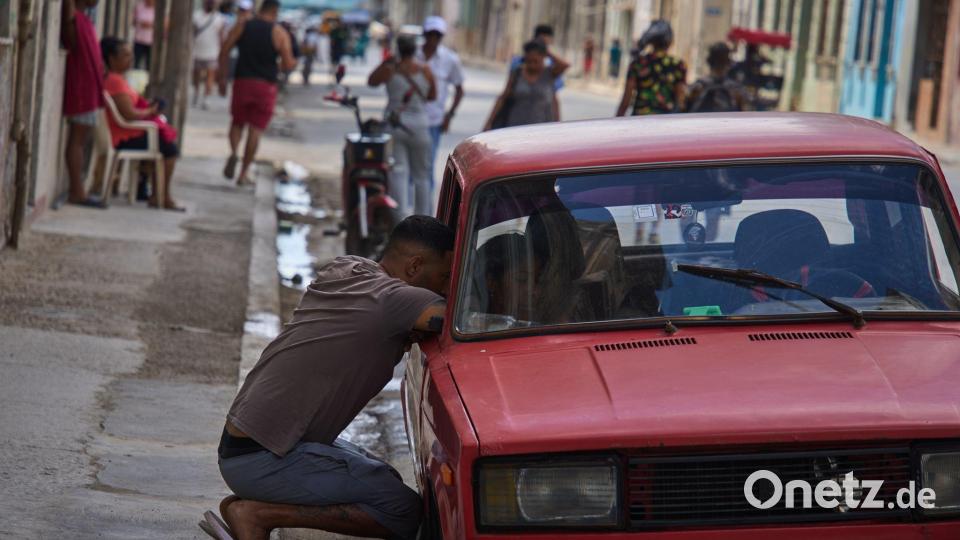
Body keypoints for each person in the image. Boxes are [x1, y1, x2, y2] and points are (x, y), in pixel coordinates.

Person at [207, 215, 453, 540]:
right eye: (444, 277)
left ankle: (254, 506)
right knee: (402, 509)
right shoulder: (396, 301)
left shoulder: (349, 269)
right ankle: (255, 514)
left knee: (385, 479)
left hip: (242, 447)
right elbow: (461, 318)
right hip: (265, 459)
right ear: (414, 266)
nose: (445, 287)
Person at [218, 0, 297, 186]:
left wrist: (222, 77)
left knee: (237, 122)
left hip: (242, 81)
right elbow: (287, 64)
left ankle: (233, 152)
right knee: (256, 129)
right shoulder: (279, 32)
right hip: (265, 86)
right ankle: (243, 173)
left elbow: (225, 50)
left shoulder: (243, 25)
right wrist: (291, 63)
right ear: (275, 11)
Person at [101, 37, 182, 211]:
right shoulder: (114, 81)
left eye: (130, 55)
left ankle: (150, 190)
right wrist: (150, 112)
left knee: (164, 143)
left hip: (128, 131)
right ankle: (163, 196)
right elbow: (129, 114)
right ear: (111, 58)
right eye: (125, 55)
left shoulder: (117, 79)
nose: (130, 59)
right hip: (124, 136)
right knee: (170, 149)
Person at [368, 35, 437, 217]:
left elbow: (371, 81)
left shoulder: (391, 70)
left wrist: (386, 62)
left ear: (398, 49)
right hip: (420, 127)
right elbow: (432, 95)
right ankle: (423, 219)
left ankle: (398, 219)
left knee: (398, 172)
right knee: (422, 176)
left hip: (394, 126)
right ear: (415, 49)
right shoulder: (425, 70)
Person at [61, 0, 105, 208]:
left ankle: (78, 189)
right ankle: (77, 191)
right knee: (77, 140)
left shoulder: (85, 20)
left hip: (89, 89)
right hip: (82, 89)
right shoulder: (74, 20)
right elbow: (70, 36)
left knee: (80, 139)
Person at [417, 16, 464, 190]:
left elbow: (459, 89)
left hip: (433, 121)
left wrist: (449, 115)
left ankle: (425, 213)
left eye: (437, 35)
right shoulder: (412, 54)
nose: (433, 39)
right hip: (408, 120)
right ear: (424, 34)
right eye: (430, 34)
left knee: (427, 166)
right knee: (405, 167)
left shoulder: (449, 59)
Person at [484, 40, 569, 130]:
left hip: (543, 127)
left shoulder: (550, 73)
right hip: (515, 125)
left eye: (536, 61)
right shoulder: (517, 73)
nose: (532, 65)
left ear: (544, 58)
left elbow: (565, 65)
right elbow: (503, 97)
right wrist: (489, 122)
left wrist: (547, 52)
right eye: (529, 61)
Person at [616, 19, 687, 116]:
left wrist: (617, 123)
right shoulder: (678, 65)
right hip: (666, 123)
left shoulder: (638, 63)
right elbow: (681, 99)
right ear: (670, 41)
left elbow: (626, 100)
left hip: (639, 121)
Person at [510, 24, 563, 121]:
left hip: (542, 118)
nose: (532, 65)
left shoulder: (550, 66)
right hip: (517, 118)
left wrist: (557, 122)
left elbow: (554, 96)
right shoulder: (518, 64)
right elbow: (507, 92)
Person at [685, 42, 749, 113]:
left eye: (722, 60)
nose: (720, 64)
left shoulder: (735, 89)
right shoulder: (699, 86)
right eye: (719, 60)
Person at [193, 0, 227, 110]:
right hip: (197, 52)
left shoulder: (219, 19)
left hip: (212, 53)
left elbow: (221, 37)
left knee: (210, 76)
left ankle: (206, 98)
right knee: (196, 76)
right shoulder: (196, 16)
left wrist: (222, 53)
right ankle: (196, 93)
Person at [132, 0, 155, 70]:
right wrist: (140, 23)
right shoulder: (139, 7)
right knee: (136, 63)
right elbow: (133, 21)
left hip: (152, 42)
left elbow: (165, 25)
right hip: (139, 40)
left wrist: (151, 25)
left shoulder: (158, 9)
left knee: (150, 65)